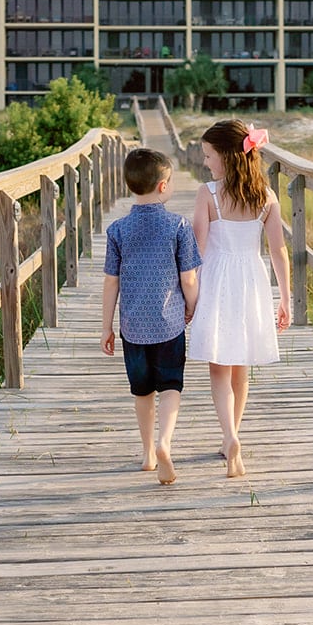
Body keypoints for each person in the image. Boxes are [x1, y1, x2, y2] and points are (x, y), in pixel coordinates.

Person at [186, 120, 289, 478]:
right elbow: (278, 251)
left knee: (219, 365)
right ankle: (234, 435)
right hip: (251, 282)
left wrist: (189, 297)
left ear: (228, 157)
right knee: (240, 364)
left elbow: (197, 251)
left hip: (216, 280)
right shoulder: (267, 197)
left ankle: (229, 436)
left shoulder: (208, 194)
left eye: (209, 156)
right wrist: (286, 299)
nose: (206, 163)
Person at [101, 147, 201, 485]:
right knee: (171, 384)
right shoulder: (178, 226)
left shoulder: (117, 230)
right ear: (162, 186)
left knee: (142, 390)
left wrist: (106, 328)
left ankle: (146, 454)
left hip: (132, 327)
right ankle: (164, 443)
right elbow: (189, 277)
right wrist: (192, 306)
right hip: (170, 323)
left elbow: (110, 283)